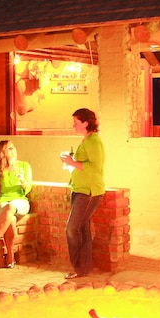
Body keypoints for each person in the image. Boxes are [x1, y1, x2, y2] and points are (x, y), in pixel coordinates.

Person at [59, 108, 105, 279]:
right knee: (82, 228)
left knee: (72, 228)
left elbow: (95, 167)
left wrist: (72, 162)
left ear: (86, 123)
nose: (73, 126)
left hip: (89, 192)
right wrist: (71, 162)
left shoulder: (93, 142)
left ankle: (79, 267)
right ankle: (83, 269)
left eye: (76, 122)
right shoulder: (87, 140)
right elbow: (84, 165)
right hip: (80, 189)